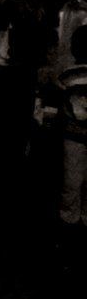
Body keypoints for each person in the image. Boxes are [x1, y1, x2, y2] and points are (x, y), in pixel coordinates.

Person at [58, 26, 87, 230]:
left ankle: (69, 216)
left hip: (73, 136)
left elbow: (67, 106)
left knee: (72, 179)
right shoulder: (69, 75)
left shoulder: (68, 75)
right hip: (75, 135)